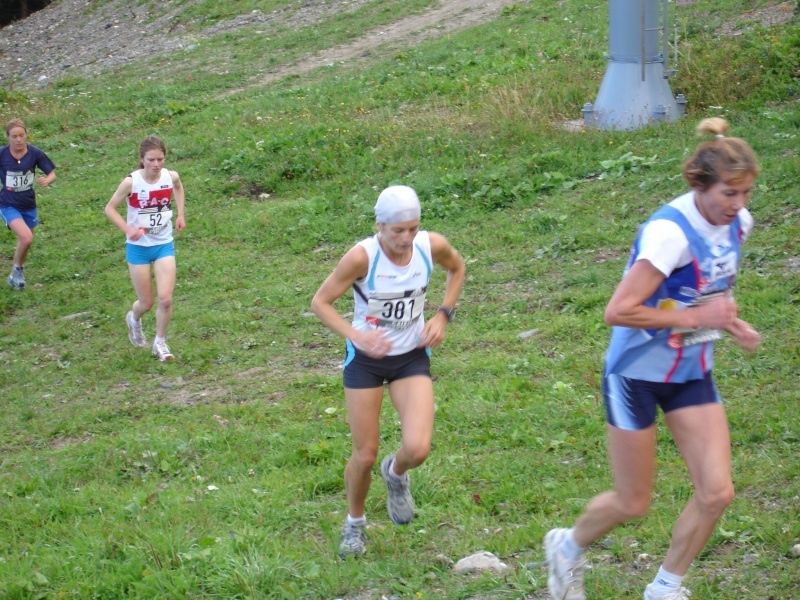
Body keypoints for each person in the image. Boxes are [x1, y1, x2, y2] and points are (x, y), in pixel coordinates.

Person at [544, 117, 762, 600]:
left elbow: (703, 290)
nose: (739, 204)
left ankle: (665, 588)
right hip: (634, 375)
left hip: (689, 371)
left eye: (746, 193)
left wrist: (726, 320)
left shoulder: (737, 224)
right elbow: (618, 310)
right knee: (633, 501)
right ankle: (567, 546)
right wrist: (696, 317)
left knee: (717, 492)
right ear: (701, 184)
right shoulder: (670, 233)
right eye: (730, 193)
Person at [311, 185, 465, 558]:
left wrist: (443, 314)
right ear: (380, 225)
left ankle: (395, 474)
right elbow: (321, 302)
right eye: (397, 231)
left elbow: (457, 268)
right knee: (364, 454)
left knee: (418, 447)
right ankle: (355, 523)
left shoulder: (431, 246)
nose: (406, 238)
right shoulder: (362, 257)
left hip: (410, 357)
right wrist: (356, 336)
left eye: (412, 229)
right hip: (365, 361)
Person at [105, 136, 186, 361]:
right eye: (151, 160)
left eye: (160, 159)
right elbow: (109, 209)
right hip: (138, 248)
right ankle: (134, 318)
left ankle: (160, 343)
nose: (156, 164)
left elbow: (178, 188)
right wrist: (127, 229)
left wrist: (180, 214)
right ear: (142, 159)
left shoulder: (171, 177)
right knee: (147, 303)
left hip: (163, 244)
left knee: (166, 299)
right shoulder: (131, 182)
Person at [1, 119, 56, 290]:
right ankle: (18, 269)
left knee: (25, 242)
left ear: (26, 135)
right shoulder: (2, 154)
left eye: (21, 135)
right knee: (26, 237)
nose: (18, 140)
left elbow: (52, 173)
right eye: (14, 136)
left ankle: (14, 275)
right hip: (8, 204)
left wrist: (47, 180)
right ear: (7, 137)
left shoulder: (34, 153)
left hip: (28, 204)